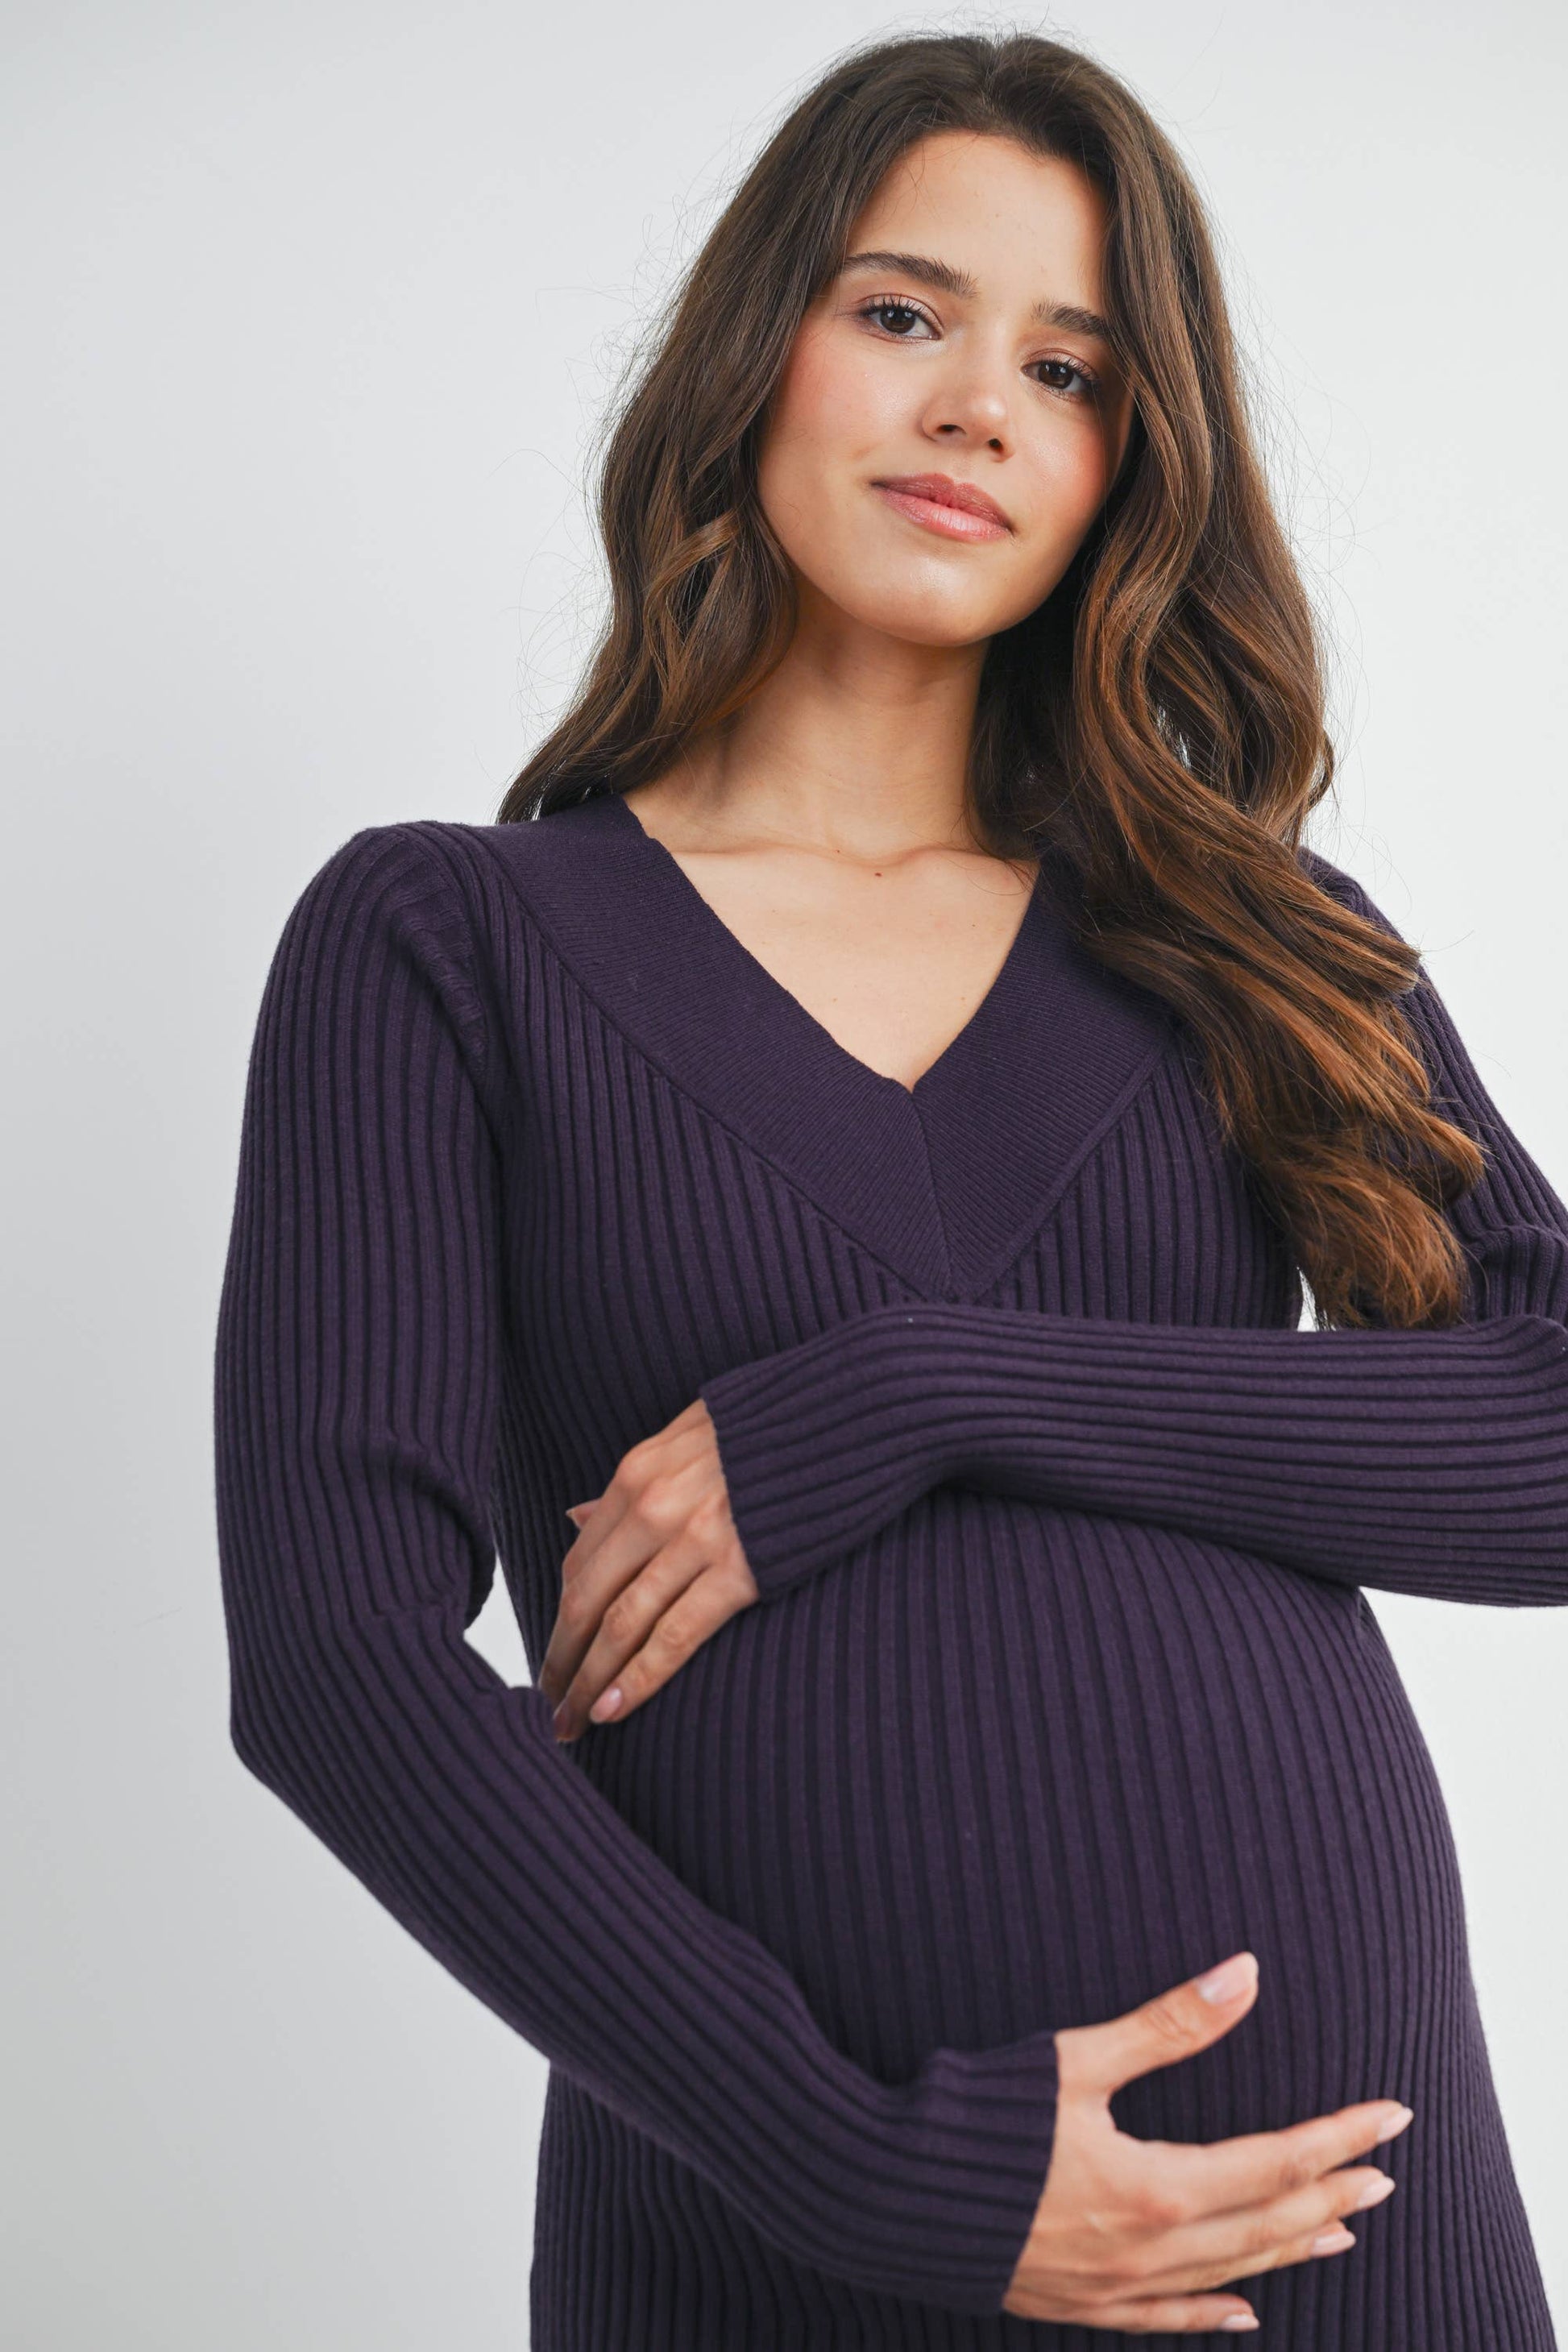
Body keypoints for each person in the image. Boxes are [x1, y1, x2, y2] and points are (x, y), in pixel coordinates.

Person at [212, 29, 1566, 2347]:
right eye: (904, 312)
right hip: (771, 2226)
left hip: (1325, 2221)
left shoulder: (1248, 935)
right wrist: (872, 2165)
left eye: (1068, 367)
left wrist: (926, 1392)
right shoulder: (447, 941)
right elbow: (338, 1664)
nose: (976, 408)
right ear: (758, 348)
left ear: (1128, 465)